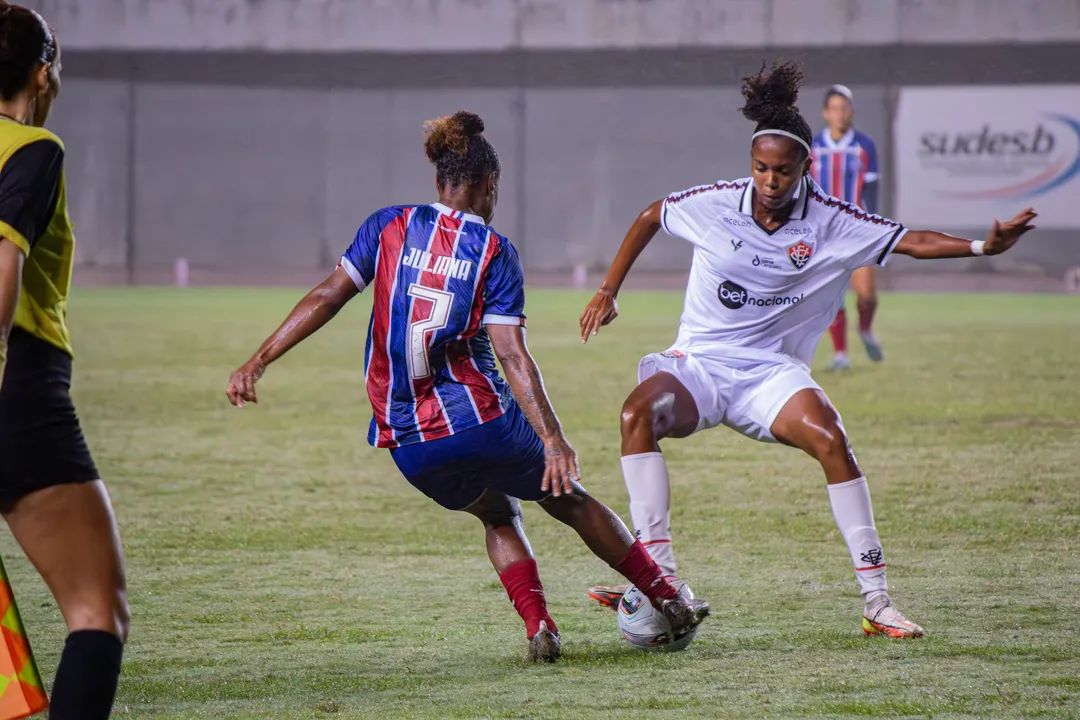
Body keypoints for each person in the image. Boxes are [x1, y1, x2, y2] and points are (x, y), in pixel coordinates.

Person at [226, 111, 709, 662]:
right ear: (489, 185)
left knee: (497, 514)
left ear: (439, 182)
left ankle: (540, 630)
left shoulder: (388, 225)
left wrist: (258, 360)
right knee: (568, 500)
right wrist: (552, 437)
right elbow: (510, 354)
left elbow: (327, 295)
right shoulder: (494, 252)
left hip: (407, 442)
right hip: (480, 423)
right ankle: (668, 599)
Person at [580, 62, 1036, 638]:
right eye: (761, 168)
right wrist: (607, 290)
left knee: (831, 438)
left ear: (805, 168)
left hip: (770, 374)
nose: (770, 181)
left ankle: (877, 601)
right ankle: (658, 580)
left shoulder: (830, 221)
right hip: (699, 364)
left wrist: (981, 246)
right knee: (635, 413)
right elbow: (652, 215)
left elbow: (911, 241)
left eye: (783, 171)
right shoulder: (718, 203)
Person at [0, 5, 130, 718]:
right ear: (43, 70)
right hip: (20, 393)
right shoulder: (34, 148)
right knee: (96, 611)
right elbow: (4, 271)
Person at [811, 84, 885, 370]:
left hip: (857, 231)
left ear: (850, 111)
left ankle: (866, 329)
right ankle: (841, 354)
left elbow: (871, 189)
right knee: (832, 296)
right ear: (825, 113)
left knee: (866, 293)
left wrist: (874, 226)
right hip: (824, 234)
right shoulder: (815, 146)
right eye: (834, 109)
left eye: (844, 108)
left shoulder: (864, 145)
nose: (839, 114)